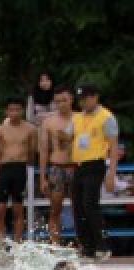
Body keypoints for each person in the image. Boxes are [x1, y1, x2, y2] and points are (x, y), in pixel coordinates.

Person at [60, 85, 119, 259]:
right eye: (81, 100)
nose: (83, 103)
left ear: (95, 97)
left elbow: (114, 145)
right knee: (77, 205)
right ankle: (87, 246)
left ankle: (102, 244)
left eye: (86, 98)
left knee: (89, 204)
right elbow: (67, 136)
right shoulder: (77, 118)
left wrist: (111, 172)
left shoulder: (106, 117)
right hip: (78, 165)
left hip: (95, 164)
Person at [0, 98, 38, 243]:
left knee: (18, 209)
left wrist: (27, 168)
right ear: (6, 111)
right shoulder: (0, 130)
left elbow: (32, 151)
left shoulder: (30, 129)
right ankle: (2, 245)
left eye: (17, 110)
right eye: (11, 110)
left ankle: (17, 244)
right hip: (4, 168)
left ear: (22, 111)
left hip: (20, 168)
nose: (14, 113)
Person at [40, 86, 76, 245]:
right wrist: (42, 178)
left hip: (76, 166)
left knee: (80, 208)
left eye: (64, 100)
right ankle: (55, 244)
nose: (61, 104)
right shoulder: (49, 122)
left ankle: (84, 244)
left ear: (72, 100)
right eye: (58, 101)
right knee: (55, 209)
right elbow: (43, 151)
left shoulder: (80, 118)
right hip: (57, 167)